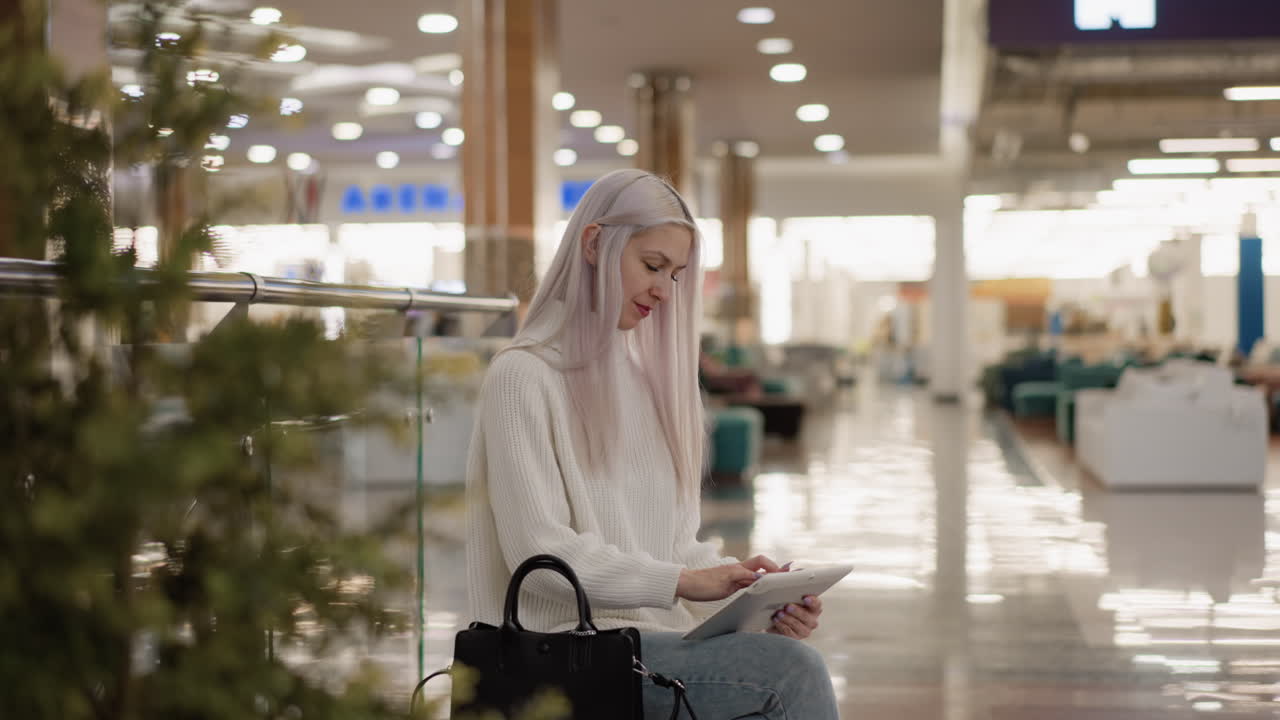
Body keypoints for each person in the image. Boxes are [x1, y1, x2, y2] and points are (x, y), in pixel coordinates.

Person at [465, 169, 840, 719]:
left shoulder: (648, 383)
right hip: (561, 652)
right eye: (652, 265)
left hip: (642, 647)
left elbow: (672, 547)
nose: (665, 291)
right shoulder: (523, 376)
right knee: (790, 674)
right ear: (594, 244)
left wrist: (749, 597)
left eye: (677, 274)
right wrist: (685, 581)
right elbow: (540, 554)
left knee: (781, 655)